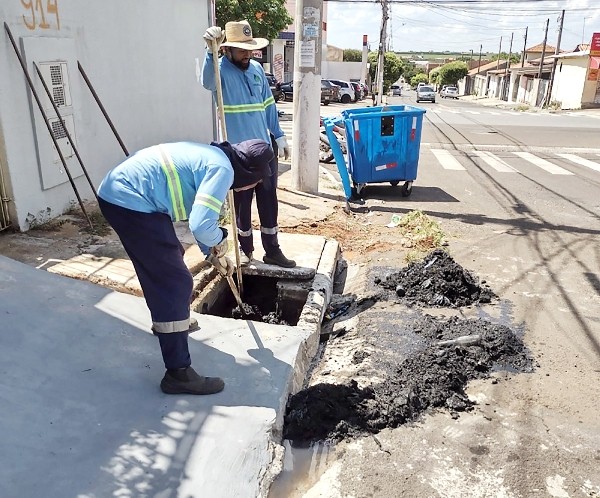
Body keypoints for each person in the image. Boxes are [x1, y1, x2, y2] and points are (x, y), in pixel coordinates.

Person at [97, 139, 273, 395]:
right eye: (257, 181)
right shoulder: (222, 171)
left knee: (170, 257)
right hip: (128, 200)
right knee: (174, 281)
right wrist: (221, 241)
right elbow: (202, 226)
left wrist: (211, 253)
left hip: (127, 194)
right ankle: (178, 373)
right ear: (249, 174)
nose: (254, 187)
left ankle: (170, 321)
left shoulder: (216, 158)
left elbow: (199, 214)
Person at [201, 20, 296, 268]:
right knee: (242, 206)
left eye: (249, 49)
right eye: (241, 50)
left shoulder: (255, 69)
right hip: (239, 154)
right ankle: (246, 250)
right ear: (227, 49)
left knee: (269, 202)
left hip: (264, 150)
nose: (247, 54)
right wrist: (209, 52)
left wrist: (278, 135)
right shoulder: (219, 71)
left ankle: (272, 249)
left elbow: (268, 105)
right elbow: (206, 82)